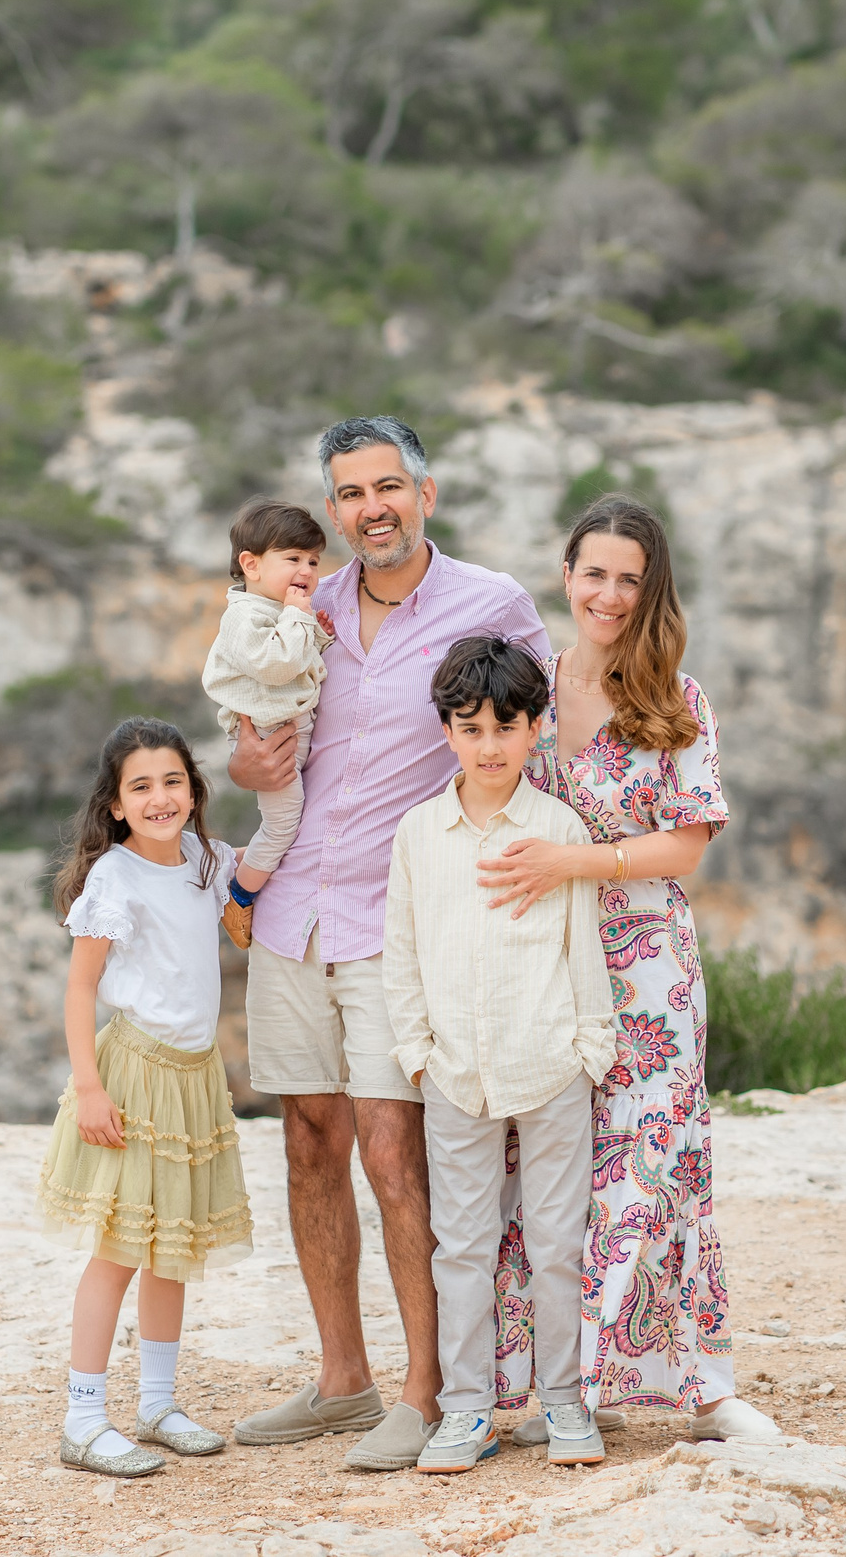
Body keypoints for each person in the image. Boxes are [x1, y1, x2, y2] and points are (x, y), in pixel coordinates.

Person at [227, 415, 551, 1472]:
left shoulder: (489, 605)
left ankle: (427, 1392)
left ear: (426, 492)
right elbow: (251, 743)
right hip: (291, 915)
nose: (371, 508)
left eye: (387, 487)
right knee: (308, 1142)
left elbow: (532, 739)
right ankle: (339, 1382)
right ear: (331, 509)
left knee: (391, 1152)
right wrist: (249, 772)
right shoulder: (301, 604)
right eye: (350, 493)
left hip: (395, 921)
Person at [477, 493, 783, 1443]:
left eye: (629, 578)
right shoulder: (523, 686)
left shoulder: (676, 698)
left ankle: (700, 1389)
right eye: (594, 572)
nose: (608, 593)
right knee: (539, 1172)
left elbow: (686, 844)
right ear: (565, 576)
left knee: (655, 1162)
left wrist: (578, 860)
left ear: (651, 591)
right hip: (544, 959)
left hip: (649, 966)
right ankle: (543, 1391)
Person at [382, 637, 617, 1473]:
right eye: (471, 727)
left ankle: (562, 1404)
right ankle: (467, 1410)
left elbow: (582, 947)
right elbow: (401, 953)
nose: (489, 746)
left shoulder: (559, 830)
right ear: (447, 730)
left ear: (535, 728)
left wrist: (590, 1050)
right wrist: (417, 1052)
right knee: (463, 1248)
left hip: (551, 1066)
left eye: (506, 727)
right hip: (454, 1075)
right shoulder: (419, 834)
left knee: (557, 1241)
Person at [35, 718, 255, 1477]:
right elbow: (79, 988)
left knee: (175, 1249)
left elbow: (256, 888)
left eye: (173, 781)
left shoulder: (205, 859)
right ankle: (84, 1416)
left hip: (195, 1076)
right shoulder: (115, 878)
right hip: (133, 1075)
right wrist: (89, 1088)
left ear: (194, 793)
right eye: (141, 786)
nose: (160, 797)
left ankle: (157, 1403)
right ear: (117, 804)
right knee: (120, 1248)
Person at [203, 499, 333, 950]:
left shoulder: (277, 609)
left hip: (289, 733)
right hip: (269, 738)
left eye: (314, 561)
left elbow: (301, 658)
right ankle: (238, 893)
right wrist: (300, 618)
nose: (307, 570)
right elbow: (276, 664)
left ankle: (241, 873)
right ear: (251, 564)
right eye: (293, 558)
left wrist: (317, 630)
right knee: (282, 826)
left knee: (289, 822)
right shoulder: (242, 616)